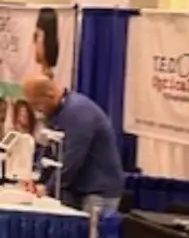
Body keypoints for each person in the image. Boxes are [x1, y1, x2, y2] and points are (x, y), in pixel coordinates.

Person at [21, 76, 124, 214]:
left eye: (37, 105)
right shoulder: (55, 112)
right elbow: (48, 150)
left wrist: (47, 188)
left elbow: (71, 159)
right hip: (76, 187)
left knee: (92, 234)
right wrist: (36, 178)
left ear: (50, 95)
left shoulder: (79, 114)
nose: (36, 110)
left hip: (98, 191)